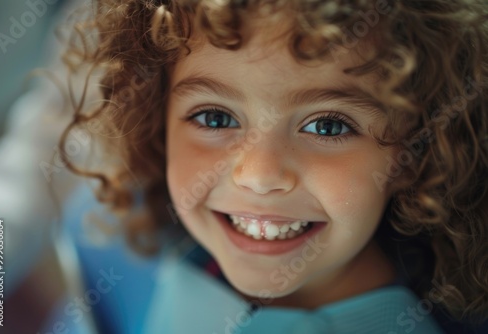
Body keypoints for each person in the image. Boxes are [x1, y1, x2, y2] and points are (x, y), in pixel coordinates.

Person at [55, 0, 488, 333]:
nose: (258, 176)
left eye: (327, 125)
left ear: (414, 151)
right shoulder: (123, 241)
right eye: (215, 118)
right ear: (157, 124)